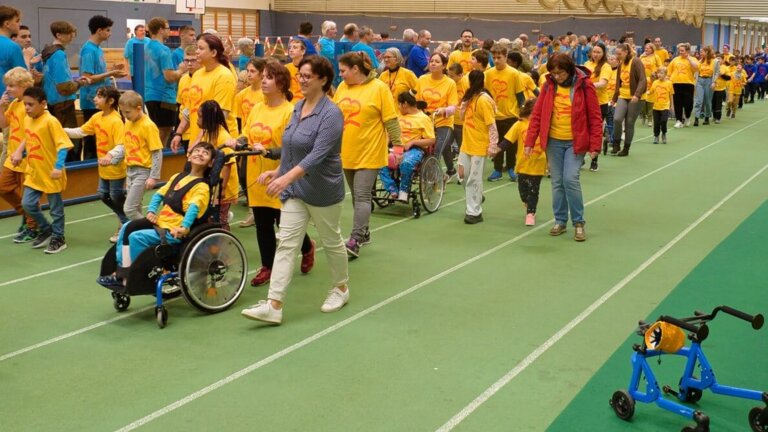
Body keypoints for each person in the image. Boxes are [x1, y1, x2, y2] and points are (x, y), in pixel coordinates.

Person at [240, 56, 348, 325]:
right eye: (299, 75)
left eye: (307, 76)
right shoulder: (298, 107)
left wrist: (285, 178)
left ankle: (341, 288)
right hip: (297, 189)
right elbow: (291, 147)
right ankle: (274, 304)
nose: (301, 79)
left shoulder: (332, 113)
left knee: (332, 241)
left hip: (323, 190)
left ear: (323, 80)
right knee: (286, 243)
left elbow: (317, 155)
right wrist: (278, 171)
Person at [236, 58, 314, 286]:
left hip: (282, 176)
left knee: (285, 223)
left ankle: (308, 247)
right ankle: (267, 266)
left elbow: (294, 148)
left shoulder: (291, 112)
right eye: (263, 77)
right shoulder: (257, 108)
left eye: (269, 77)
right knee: (262, 224)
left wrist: (269, 152)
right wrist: (239, 141)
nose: (263, 81)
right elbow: (247, 134)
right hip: (255, 175)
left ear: (281, 83)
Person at [97, 142, 215, 289]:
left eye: (205, 153)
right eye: (197, 151)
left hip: (173, 230)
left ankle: (134, 276)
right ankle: (122, 272)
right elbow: (159, 195)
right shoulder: (178, 177)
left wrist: (184, 227)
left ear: (210, 163)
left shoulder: (202, 186)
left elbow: (194, 208)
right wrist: (152, 211)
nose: (199, 153)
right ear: (188, 156)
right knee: (127, 226)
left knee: (136, 237)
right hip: (160, 223)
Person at [525, 53, 601, 242]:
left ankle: (578, 222)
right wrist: (529, 141)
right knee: (557, 182)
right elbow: (537, 115)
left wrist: (595, 145)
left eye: (560, 73)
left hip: (576, 142)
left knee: (570, 179)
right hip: (554, 141)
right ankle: (560, 220)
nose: (557, 77)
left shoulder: (585, 85)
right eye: (553, 73)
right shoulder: (548, 86)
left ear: (569, 70)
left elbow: (595, 117)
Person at [334, 51, 401, 258]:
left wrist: (398, 146)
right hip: (347, 151)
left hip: (370, 151)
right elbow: (335, 116)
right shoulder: (343, 88)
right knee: (356, 196)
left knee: (362, 195)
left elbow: (390, 119)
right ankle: (365, 231)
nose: (341, 74)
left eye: (343, 71)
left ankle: (355, 239)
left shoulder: (379, 88)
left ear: (356, 69)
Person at [11, 86, 74, 253]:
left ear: (43, 103)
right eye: (25, 104)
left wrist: (58, 167)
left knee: (56, 209)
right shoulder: (27, 119)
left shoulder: (51, 121)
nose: (27, 108)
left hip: (51, 173)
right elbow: (28, 138)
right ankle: (46, 229)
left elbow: (63, 146)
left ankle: (59, 237)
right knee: (27, 204)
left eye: (31, 104)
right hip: (34, 172)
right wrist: (19, 151)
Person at [63, 87, 127, 242]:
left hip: (116, 168)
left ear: (110, 101)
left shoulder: (116, 121)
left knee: (116, 196)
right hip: (103, 167)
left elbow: (121, 146)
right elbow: (81, 132)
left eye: (99, 96)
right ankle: (126, 219)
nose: (95, 99)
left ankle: (124, 224)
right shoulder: (97, 117)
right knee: (103, 195)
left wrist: (110, 156)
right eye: (96, 96)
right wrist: (62, 130)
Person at [171, 34, 237, 151]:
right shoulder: (197, 74)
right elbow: (189, 109)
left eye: (201, 48)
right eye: (197, 47)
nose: (196, 51)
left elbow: (218, 117)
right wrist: (178, 133)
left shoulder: (224, 76)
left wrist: (198, 142)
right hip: (199, 143)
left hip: (217, 144)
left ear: (213, 53)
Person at [110, 91, 163, 221]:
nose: (125, 115)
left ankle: (150, 230)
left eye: (127, 112)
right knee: (136, 206)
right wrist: (114, 159)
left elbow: (157, 152)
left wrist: (153, 176)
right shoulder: (128, 123)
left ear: (139, 108)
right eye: (122, 112)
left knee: (129, 209)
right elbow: (126, 145)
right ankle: (140, 237)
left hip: (143, 171)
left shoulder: (148, 126)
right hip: (130, 170)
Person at [79, 15, 126, 161]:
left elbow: (98, 74)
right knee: (92, 140)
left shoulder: (98, 49)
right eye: (108, 30)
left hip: (102, 99)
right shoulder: (88, 50)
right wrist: (111, 73)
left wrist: (112, 70)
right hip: (92, 100)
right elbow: (88, 78)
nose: (110, 33)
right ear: (99, 31)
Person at [41, 21, 88, 162]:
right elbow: (64, 87)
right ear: (59, 35)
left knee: (59, 139)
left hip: (52, 101)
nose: (72, 36)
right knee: (71, 143)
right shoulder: (59, 54)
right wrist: (80, 82)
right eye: (68, 33)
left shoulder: (48, 53)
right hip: (63, 103)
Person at [493, 98, 544, 226]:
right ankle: (528, 204)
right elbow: (508, 140)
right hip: (522, 163)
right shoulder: (519, 124)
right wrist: (497, 149)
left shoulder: (543, 125)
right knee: (523, 191)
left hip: (538, 162)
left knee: (534, 190)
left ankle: (530, 213)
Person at [0, 67, 37, 242]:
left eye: (11, 85)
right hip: (11, 155)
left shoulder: (29, 105)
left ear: (23, 86)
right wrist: (1, 108)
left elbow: (30, 132)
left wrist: (20, 150)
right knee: (3, 187)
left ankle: (32, 227)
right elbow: (5, 124)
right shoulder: (14, 104)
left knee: (28, 194)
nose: (7, 89)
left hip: (25, 157)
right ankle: (29, 216)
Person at [379, 91, 435, 201]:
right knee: (379, 161)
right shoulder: (398, 117)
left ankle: (404, 190)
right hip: (397, 147)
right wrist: (384, 147)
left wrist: (414, 142)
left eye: (399, 104)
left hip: (415, 149)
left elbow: (431, 140)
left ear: (404, 104)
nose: (398, 107)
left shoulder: (423, 118)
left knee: (406, 163)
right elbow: (390, 134)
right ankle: (392, 188)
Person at [457, 70, 496, 224]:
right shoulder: (469, 98)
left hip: (479, 145)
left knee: (474, 179)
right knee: (463, 175)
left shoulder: (484, 100)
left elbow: (491, 124)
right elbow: (460, 115)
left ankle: (474, 212)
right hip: (466, 143)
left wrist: (493, 145)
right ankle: (477, 196)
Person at [193, 100, 237, 230]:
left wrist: (222, 189)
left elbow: (228, 164)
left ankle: (223, 242)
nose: (198, 120)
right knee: (211, 217)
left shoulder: (222, 136)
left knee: (220, 220)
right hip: (212, 183)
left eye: (201, 116)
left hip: (223, 186)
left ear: (209, 118)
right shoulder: (207, 133)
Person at [415, 52, 458, 181]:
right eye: (431, 60)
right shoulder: (422, 79)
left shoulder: (450, 83)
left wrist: (444, 110)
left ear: (444, 65)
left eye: (437, 61)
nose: (433, 63)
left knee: (436, 152)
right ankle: (451, 170)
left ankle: (433, 180)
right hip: (425, 122)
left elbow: (453, 106)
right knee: (439, 150)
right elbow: (416, 100)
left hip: (443, 122)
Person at [485, 44, 525, 181]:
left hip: (511, 115)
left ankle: (511, 167)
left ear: (505, 57)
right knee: (495, 143)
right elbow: (485, 94)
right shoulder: (488, 74)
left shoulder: (514, 73)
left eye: (499, 57)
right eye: (494, 57)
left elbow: (520, 95)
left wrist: (522, 113)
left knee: (511, 144)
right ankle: (497, 169)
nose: (496, 60)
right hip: (494, 116)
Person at [145, 17, 181, 144]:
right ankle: (158, 160)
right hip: (164, 97)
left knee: (155, 129)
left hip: (149, 95)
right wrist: (182, 70)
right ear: (161, 30)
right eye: (168, 28)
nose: (169, 31)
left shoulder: (145, 47)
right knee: (164, 131)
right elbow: (169, 76)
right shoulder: (163, 49)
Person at [610, 42, 646, 157]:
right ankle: (616, 144)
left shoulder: (636, 61)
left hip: (635, 97)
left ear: (626, 52)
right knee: (617, 119)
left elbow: (642, 79)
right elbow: (618, 83)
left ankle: (626, 148)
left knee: (629, 122)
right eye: (616, 54)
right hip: (623, 95)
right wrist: (614, 98)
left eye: (619, 54)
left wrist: (637, 94)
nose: (617, 56)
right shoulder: (621, 64)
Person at [583, 42, 612, 171]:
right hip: (585, 101)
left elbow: (602, 84)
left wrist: (588, 85)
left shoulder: (606, 66)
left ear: (603, 53)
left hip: (600, 103)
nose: (595, 54)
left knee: (595, 131)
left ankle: (594, 160)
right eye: (594, 52)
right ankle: (581, 157)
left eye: (598, 52)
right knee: (583, 129)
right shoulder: (586, 64)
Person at [175, 45, 200, 152]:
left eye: (193, 60)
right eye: (186, 60)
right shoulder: (183, 79)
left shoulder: (202, 78)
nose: (189, 63)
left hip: (198, 129)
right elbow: (180, 105)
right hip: (184, 130)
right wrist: (178, 132)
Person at [668, 42, 699, 128]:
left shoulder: (692, 59)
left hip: (688, 84)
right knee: (678, 103)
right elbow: (669, 72)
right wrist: (669, 80)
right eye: (679, 50)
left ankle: (688, 116)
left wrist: (688, 58)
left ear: (687, 51)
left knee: (688, 103)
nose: (680, 52)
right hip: (676, 83)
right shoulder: (675, 60)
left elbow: (696, 68)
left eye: (682, 51)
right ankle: (679, 120)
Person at [0, 6, 25, 96]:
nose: (20, 24)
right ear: (7, 24)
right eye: (17, 21)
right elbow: (23, 78)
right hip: (7, 99)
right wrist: (27, 58)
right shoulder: (12, 47)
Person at [693, 46, 717, 126]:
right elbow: (696, 72)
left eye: (702, 52)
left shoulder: (715, 61)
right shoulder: (700, 61)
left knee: (707, 100)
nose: (700, 53)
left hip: (709, 81)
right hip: (700, 80)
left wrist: (714, 82)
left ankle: (707, 117)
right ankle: (696, 118)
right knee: (698, 100)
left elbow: (717, 72)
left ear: (707, 52)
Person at [638, 43, 661, 128]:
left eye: (648, 48)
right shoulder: (642, 57)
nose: (646, 49)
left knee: (651, 100)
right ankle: (643, 114)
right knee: (643, 100)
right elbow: (637, 65)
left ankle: (650, 119)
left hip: (652, 80)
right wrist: (641, 56)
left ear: (652, 49)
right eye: (645, 48)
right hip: (643, 79)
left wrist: (656, 73)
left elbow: (660, 67)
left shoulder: (656, 57)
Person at [124, 24, 149, 89]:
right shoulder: (130, 42)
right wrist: (127, 71)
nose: (143, 32)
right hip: (135, 71)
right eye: (141, 30)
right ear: (136, 32)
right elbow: (126, 58)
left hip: (147, 71)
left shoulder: (149, 41)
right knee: (137, 89)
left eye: (144, 30)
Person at [285, 39, 306, 104]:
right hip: (290, 102)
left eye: (295, 47)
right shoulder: (286, 68)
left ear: (303, 51)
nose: (291, 50)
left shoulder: (309, 68)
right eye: (290, 48)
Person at [712, 56, 729, 124]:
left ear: (723, 60)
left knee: (718, 103)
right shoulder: (713, 66)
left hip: (721, 89)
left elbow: (728, 77)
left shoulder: (725, 67)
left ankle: (718, 118)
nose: (718, 60)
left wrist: (721, 74)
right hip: (712, 88)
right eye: (717, 59)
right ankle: (714, 116)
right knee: (713, 103)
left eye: (719, 59)